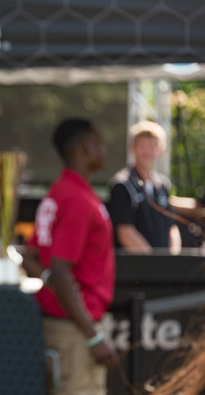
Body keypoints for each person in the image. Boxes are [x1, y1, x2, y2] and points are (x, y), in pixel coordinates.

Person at [22, 118, 118, 395]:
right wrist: (93, 336)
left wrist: (52, 283)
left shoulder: (59, 191)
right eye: (97, 142)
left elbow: (30, 258)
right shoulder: (77, 199)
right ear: (81, 149)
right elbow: (60, 270)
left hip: (61, 324)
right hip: (75, 331)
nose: (103, 148)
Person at [107, 120, 181, 254]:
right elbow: (125, 232)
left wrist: (173, 261)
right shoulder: (122, 185)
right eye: (142, 145)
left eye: (152, 146)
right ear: (132, 147)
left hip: (165, 270)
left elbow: (172, 227)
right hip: (137, 270)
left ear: (160, 150)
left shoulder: (162, 184)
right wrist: (155, 264)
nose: (147, 151)